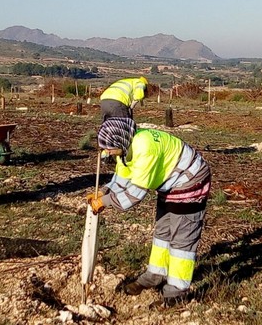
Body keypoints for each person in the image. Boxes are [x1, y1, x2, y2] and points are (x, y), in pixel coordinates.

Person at [87, 117, 211, 308]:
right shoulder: (127, 147)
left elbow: (132, 197)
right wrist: (104, 191)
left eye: (109, 148)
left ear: (120, 140)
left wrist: (103, 202)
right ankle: (155, 275)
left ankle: (176, 294)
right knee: (163, 232)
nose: (106, 152)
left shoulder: (145, 149)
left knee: (181, 241)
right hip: (170, 183)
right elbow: (122, 177)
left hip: (190, 182)